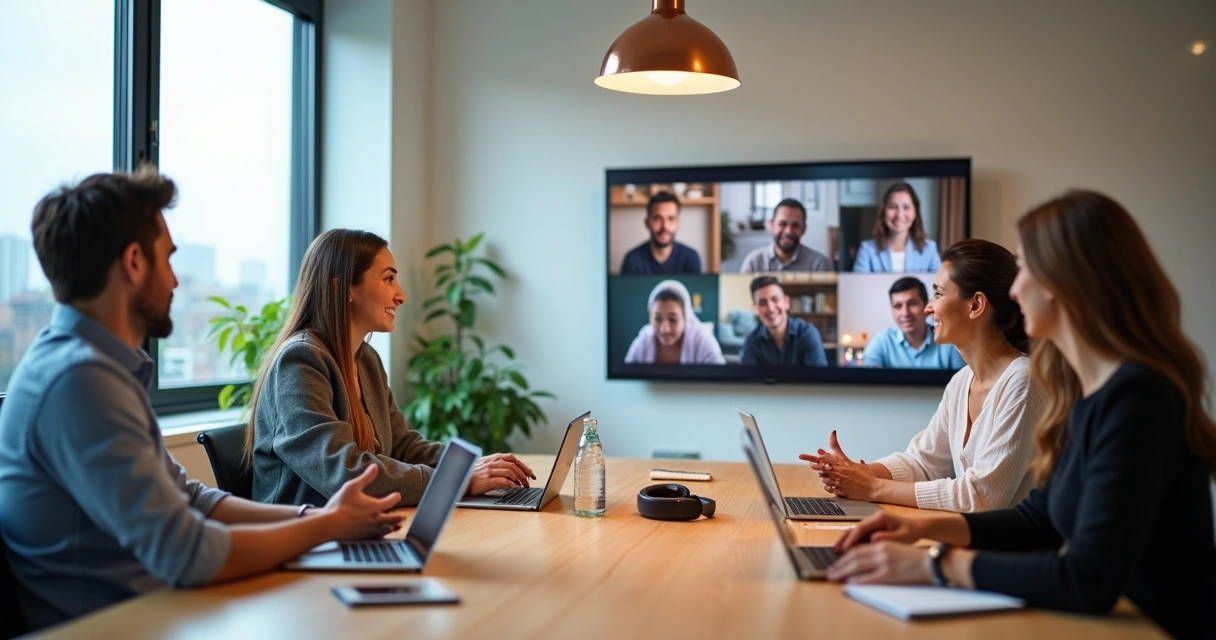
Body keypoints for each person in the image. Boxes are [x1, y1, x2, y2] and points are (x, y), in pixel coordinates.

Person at [0, 167, 405, 632]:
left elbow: (189, 497)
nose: (176, 280)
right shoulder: (80, 381)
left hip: (163, 610)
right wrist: (324, 528)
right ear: (134, 262)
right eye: (168, 259)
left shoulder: (95, 368)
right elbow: (189, 552)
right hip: (124, 624)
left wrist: (311, 516)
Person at [826, 191, 1216, 639]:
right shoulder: (1095, 395)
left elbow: (1087, 579)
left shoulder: (1138, 399)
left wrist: (936, 562)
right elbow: (1037, 520)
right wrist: (919, 528)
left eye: (1026, 269)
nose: (1014, 289)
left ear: (1063, 284)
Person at [248, 229, 536, 508]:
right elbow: (342, 472)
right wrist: (454, 481)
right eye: (388, 279)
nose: (401, 296)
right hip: (304, 538)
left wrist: (470, 465)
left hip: (356, 526)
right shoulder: (299, 361)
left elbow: (404, 446)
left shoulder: (366, 360)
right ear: (343, 287)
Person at [802, 240, 1042, 512]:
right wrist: (856, 472)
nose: (928, 308)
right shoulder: (962, 381)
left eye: (938, 294)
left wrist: (871, 487)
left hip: (1016, 551)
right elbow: (923, 463)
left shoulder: (1023, 382)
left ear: (975, 305)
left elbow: (981, 495)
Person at [863, 276, 965, 370]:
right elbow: (866, 382)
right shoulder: (883, 341)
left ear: (927, 307)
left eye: (912, 304)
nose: (905, 313)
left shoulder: (949, 342)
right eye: (898, 306)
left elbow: (964, 384)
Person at [624, 280, 725, 364]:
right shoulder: (644, 340)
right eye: (658, 319)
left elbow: (721, 381)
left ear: (685, 318)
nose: (664, 329)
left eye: (672, 320)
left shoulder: (702, 340)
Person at [853, 182, 941, 273]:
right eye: (892, 207)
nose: (899, 215)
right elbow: (860, 286)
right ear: (883, 211)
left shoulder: (930, 249)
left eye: (906, 207)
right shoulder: (867, 249)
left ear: (915, 212)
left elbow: (939, 286)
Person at [740, 276, 827, 367]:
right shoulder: (751, 341)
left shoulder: (808, 333)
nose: (770, 308)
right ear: (755, 308)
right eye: (762, 303)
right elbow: (747, 380)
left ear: (786, 302)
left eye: (775, 299)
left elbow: (819, 379)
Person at [739, 198, 833, 272]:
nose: (788, 231)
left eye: (795, 225)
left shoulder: (819, 264)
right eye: (782, 224)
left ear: (804, 229)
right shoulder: (754, 262)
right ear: (771, 224)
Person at [619, 192, 702, 274]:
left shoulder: (691, 258)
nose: (664, 226)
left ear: (677, 223)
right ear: (647, 223)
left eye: (671, 218)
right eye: (657, 219)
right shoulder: (632, 260)